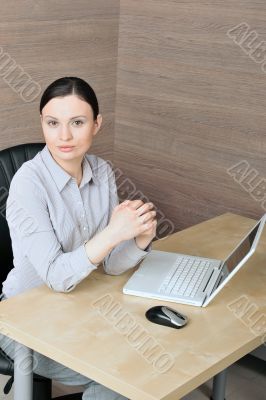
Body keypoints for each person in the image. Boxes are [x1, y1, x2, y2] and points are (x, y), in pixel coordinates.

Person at [0, 77, 157, 399]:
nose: (64, 136)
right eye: (53, 123)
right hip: (23, 317)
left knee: (147, 360)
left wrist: (139, 238)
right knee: (119, 381)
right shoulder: (27, 183)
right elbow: (57, 277)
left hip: (84, 302)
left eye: (77, 122)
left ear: (96, 124)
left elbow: (110, 266)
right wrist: (114, 232)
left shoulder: (102, 171)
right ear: (42, 123)